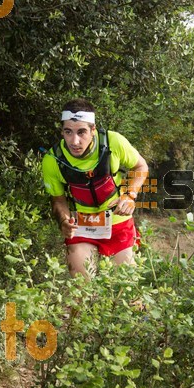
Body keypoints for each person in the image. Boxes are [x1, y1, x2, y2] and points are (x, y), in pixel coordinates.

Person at [42, 98, 149, 279]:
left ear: (93, 130)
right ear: (62, 131)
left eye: (81, 132)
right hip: (82, 227)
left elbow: (141, 166)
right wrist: (63, 221)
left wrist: (130, 195)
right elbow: (58, 199)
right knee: (81, 291)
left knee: (127, 290)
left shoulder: (113, 142)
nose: (74, 141)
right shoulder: (52, 160)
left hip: (118, 223)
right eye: (68, 132)